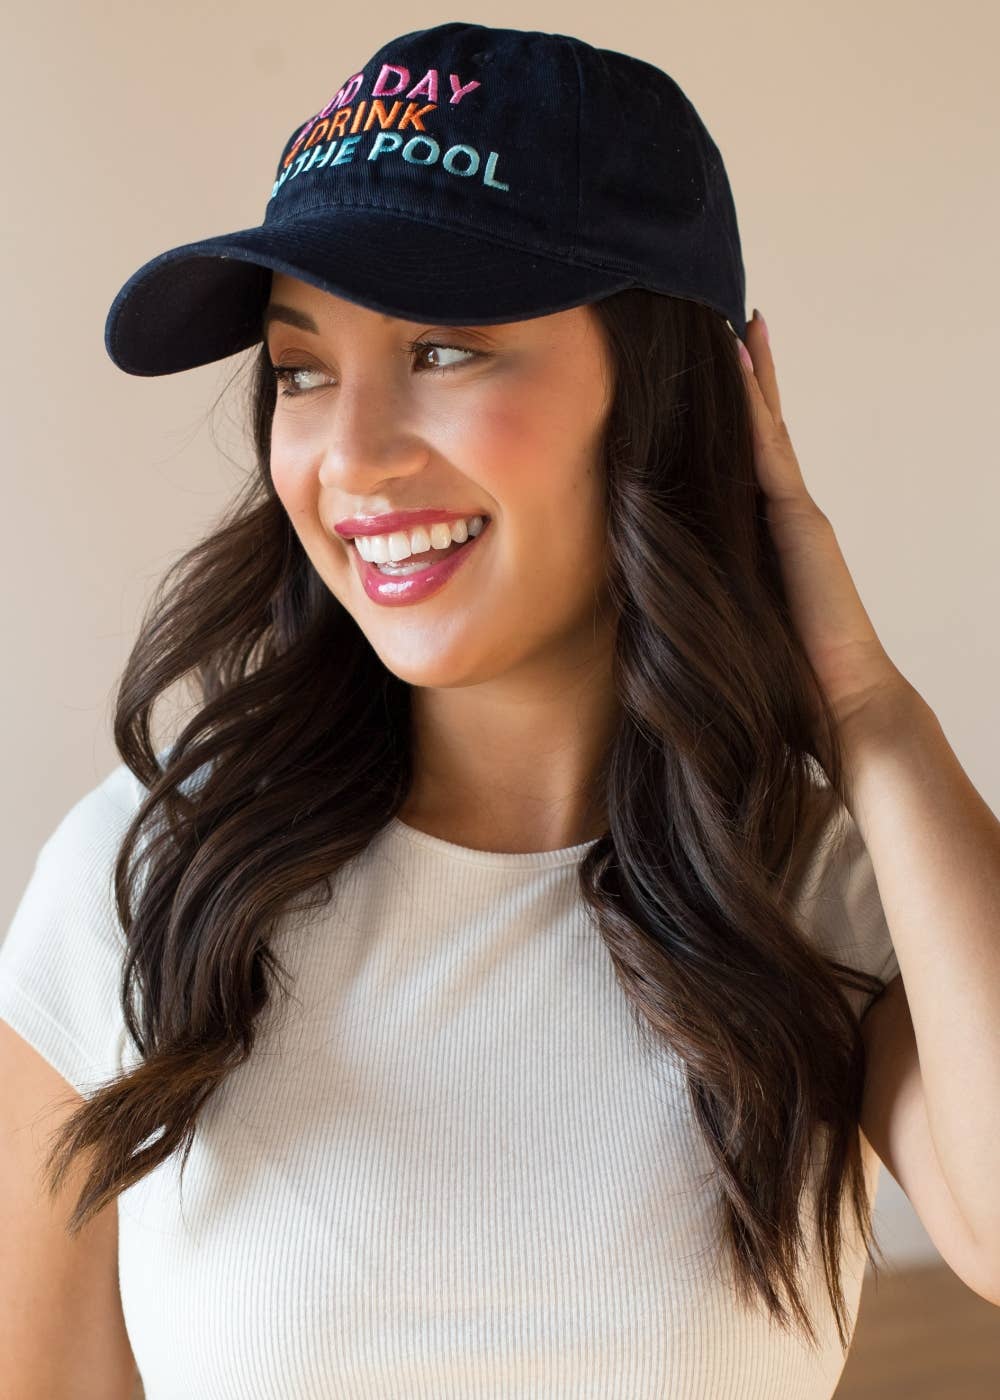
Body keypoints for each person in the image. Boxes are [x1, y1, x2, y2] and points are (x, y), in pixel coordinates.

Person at [1, 20, 904, 1399]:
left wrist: (864, 698)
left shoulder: (816, 887)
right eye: (303, 371)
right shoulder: (143, 880)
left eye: (442, 351)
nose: (348, 455)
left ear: (668, 395)